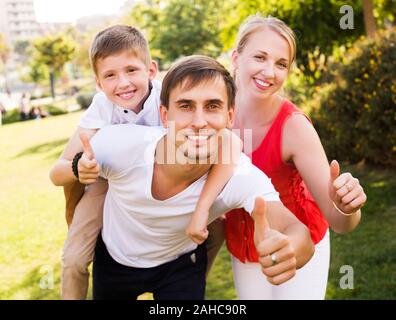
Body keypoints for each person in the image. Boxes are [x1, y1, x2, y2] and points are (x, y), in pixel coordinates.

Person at [79, 55, 314, 299]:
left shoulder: (239, 175)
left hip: (181, 265)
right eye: (185, 106)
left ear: (230, 117)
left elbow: (296, 231)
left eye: (212, 106)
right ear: (164, 114)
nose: (199, 122)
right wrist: (71, 210)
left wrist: (289, 250)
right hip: (115, 261)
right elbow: (74, 175)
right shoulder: (117, 145)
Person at [49, 25, 240, 300]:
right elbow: (56, 173)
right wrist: (78, 167)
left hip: (165, 176)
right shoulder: (101, 108)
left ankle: (188, 281)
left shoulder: (169, 98)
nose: (123, 83)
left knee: (218, 227)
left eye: (131, 70)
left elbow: (229, 141)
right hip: (108, 180)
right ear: (98, 83)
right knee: (74, 257)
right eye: (110, 75)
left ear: (151, 70)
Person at [224, 15, 367, 300]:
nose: (269, 71)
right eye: (260, 57)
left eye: (280, 64)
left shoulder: (294, 127)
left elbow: (341, 223)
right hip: (244, 246)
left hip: (299, 241)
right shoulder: (215, 114)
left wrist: (347, 206)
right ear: (236, 57)